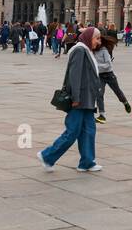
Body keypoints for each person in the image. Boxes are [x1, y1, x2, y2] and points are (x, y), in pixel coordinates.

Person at [38, 27, 103, 174]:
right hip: (79, 100)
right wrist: (76, 98)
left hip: (87, 100)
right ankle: (47, 156)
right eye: (97, 38)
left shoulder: (86, 50)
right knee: (73, 132)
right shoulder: (79, 50)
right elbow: (74, 76)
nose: (99, 42)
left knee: (89, 131)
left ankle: (86, 162)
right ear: (88, 37)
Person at [93, 29, 130, 122]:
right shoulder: (92, 50)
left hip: (109, 75)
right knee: (99, 94)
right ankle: (102, 115)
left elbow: (108, 65)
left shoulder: (104, 50)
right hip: (100, 76)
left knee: (117, 91)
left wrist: (96, 66)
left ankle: (125, 102)